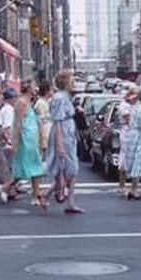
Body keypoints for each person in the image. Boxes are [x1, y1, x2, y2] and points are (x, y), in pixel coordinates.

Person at [43, 70, 84, 214]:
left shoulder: (66, 97)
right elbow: (58, 122)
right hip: (64, 136)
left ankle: (53, 198)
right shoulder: (60, 98)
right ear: (65, 83)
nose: (74, 83)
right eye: (71, 80)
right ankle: (68, 202)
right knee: (69, 169)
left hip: (68, 134)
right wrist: (59, 144)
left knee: (68, 170)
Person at [11, 79, 47, 209]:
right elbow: (17, 123)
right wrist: (15, 141)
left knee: (34, 166)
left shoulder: (31, 102)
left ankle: (35, 194)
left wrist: (41, 139)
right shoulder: (21, 102)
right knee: (28, 167)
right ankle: (8, 186)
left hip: (33, 137)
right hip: (25, 139)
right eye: (33, 86)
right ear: (27, 88)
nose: (36, 88)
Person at [117, 86, 138, 197]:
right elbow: (130, 121)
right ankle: (122, 186)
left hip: (130, 133)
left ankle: (130, 186)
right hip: (127, 133)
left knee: (130, 158)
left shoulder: (132, 105)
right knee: (125, 158)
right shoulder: (124, 106)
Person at [35, 81, 53, 154]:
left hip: (49, 134)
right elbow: (41, 123)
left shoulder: (46, 102)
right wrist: (43, 142)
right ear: (46, 91)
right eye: (51, 89)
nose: (53, 92)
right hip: (45, 135)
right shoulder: (40, 104)